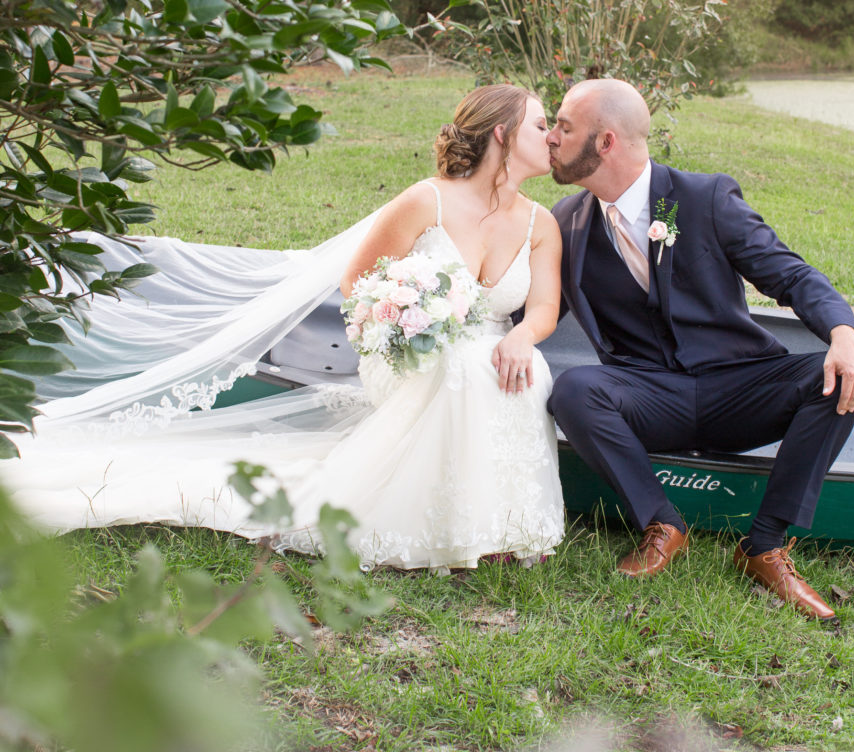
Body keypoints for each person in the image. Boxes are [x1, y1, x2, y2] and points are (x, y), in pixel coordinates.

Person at [3, 85, 565, 571]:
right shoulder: (428, 200)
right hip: (408, 350)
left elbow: (542, 308)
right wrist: (403, 324)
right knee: (462, 365)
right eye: (542, 125)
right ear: (502, 132)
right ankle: (453, 527)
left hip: (494, 343)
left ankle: (508, 523)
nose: (552, 136)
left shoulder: (541, 223)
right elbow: (358, 283)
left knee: (525, 368)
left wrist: (520, 336)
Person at [546, 78, 854, 622]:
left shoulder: (705, 198)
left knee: (834, 375)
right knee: (576, 389)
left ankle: (765, 546)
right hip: (649, 396)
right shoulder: (568, 222)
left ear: (605, 142)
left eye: (564, 126)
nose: (552, 137)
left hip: (738, 386)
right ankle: (662, 523)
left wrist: (844, 334)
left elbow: (791, 275)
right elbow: (535, 312)